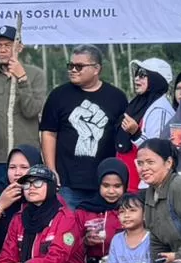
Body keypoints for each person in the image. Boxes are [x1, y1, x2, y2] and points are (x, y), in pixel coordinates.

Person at [40, 45, 129, 209]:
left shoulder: (117, 97)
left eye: (79, 66)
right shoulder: (58, 95)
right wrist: (51, 170)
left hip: (105, 184)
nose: (73, 70)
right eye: (70, 66)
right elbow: (49, 133)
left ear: (96, 69)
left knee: (102, 232)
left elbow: (122, 140)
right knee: (68, 232)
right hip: (67, 183)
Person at [0, 25, 47, 195]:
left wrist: (22, 79)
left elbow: (31, 111)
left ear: (19, 47)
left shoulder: (36, 74)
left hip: (27, 158)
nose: (2, 50)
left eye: (8, 45)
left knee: (29, 201)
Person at [69, 156, 129, 263]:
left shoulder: (131, 209)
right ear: (98, 185)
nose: (111, 191)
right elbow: (71, 245)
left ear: (125, 185)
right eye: (106, 186)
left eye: (117, 186)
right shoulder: (85, 209)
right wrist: (85, 242)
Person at [0, 145, 42, 263]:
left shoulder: (46, 192)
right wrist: (0, 204)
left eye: (24, 167)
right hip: (1, 256)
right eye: (12, 167)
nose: (17, 173)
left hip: (37, 259)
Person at [120, 57, 175, 153]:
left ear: (156, 79)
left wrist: (136, 132)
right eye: (137, 73)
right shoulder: (140, 103)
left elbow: (157, 151)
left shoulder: (160, 109)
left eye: (142, 75)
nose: (136, 78)